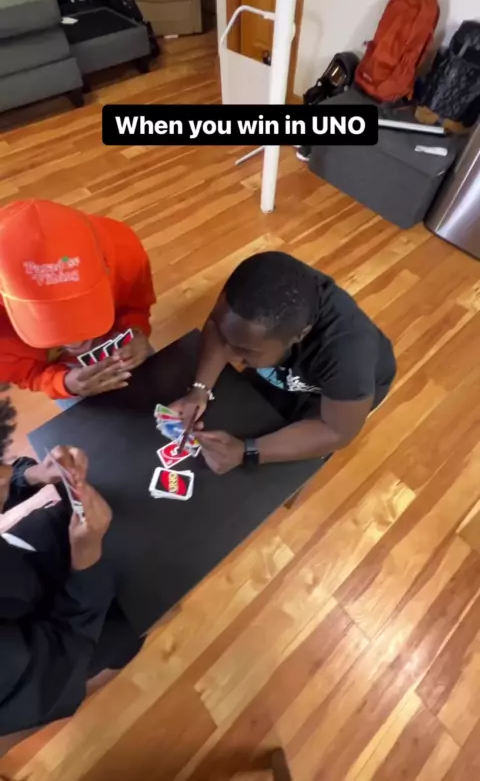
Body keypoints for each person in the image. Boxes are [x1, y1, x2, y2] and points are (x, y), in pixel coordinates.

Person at [0, 396, 143, 756]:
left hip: (23, 573)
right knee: (132, 626)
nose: (5, 473)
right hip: (49, 652)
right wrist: (87, 553)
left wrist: (31, 476)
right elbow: (64, 656)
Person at [172, 252, 396, 474]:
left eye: (244, 350)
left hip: (335, 398)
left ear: (300, 335)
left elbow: (336, 431)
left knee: (283, 470)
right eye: (226, 338)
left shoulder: (348, 358)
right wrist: (200, 390)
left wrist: (247, 452)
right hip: (287, 366)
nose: (229, 355)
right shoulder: (260, 292)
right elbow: (217, 326)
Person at [0, 199, 156, 403]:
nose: (77, 342)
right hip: (66, 375)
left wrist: (136, 329)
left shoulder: (122, 248)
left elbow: (136, 304)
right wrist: (63, 384)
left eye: (81, 307)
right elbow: (25, 372)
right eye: (51, 319)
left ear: (106, 265)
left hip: (124, 345)